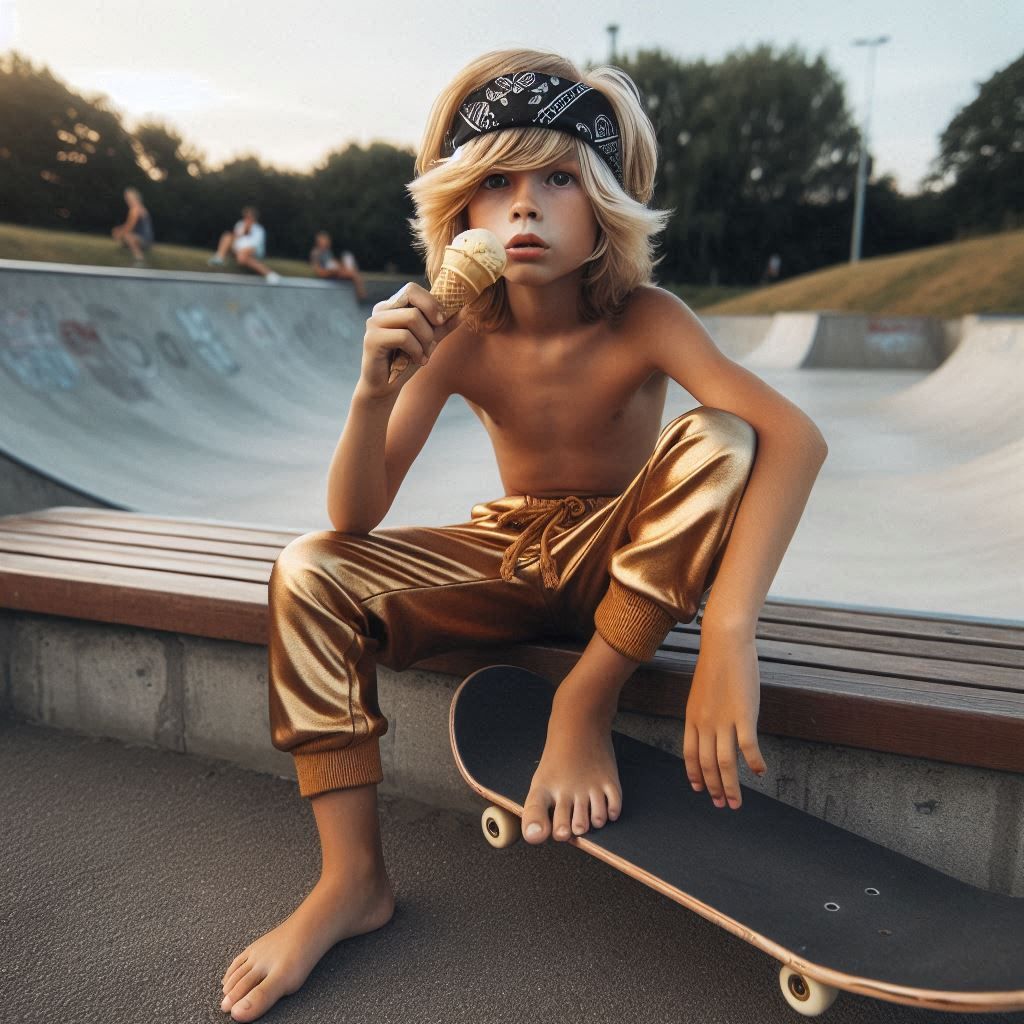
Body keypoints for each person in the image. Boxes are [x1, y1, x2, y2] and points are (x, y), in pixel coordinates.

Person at [219, 48, 828, 1021]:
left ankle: (581, 705)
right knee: (306, 569)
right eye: (495, 183)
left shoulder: (644, 319)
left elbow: (791, 438)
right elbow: (354, 517)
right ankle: (351, 880)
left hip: (630, 552)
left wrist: (728, 631)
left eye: (556, 179)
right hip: (512, 547)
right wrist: (372, 393)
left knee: (718, 436)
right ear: (458, 207)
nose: (523, 208)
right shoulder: (460, 334)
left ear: (606, 205)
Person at [208, 206, 281, 283]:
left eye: (249, 217)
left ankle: (269, 274)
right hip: (237, 249)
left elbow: (254, 248)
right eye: (246, 217)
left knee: (242, 258)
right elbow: (235, 238)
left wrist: (241, 251)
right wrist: (242, 233)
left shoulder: (259, 230)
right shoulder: (240, 224)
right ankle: (219, 258)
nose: (247, 219)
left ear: (254, 218)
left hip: (252, 252)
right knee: (227, 236)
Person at [309, 230, 369, 301]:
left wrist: (341, 266)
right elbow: (318, 270)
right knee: (354, 275)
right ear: (318, 241)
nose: (326, 242)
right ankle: (362, 296)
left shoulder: (327, 252)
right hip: (328, 273)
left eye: (327, 240)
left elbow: (333, 262)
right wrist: (332, 271)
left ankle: (361, 292)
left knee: (347, 257)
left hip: (334, 271)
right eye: (324, 240)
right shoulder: (316, 253)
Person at [111, 187, 154, 266]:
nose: (127, 200)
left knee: (128, 236)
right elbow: (128, 226)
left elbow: (129, 227)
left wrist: (119, 234)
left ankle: (139, 258)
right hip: (143, 237)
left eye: (128, 198)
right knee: (122, 233)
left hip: (145, 239)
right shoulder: (138, 208)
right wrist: (119, 230)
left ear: (135, 198)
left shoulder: (135, 209)